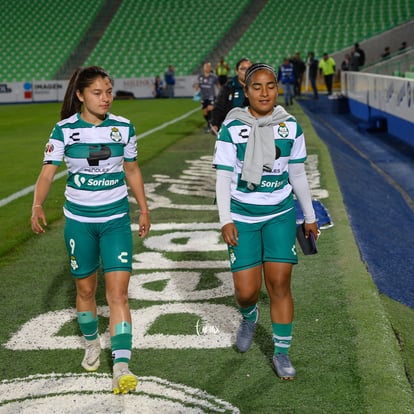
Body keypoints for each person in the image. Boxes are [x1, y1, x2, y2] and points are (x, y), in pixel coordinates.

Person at [31, 66, 151, 394]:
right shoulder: (64, 131)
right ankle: (91, 343)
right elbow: (46, 173)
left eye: (109, 92)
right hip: (79, 223)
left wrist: (143, 207)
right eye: (98, 93)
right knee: (85, 291)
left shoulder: (124, 128)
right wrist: (37, 205)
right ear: (81, 95)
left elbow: (132, 169)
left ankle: (122, 366)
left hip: (114, 221)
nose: (106, 98)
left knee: (118, 294)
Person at [213, 63, 318, 380]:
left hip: (279, 215)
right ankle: (248, 315)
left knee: (279, 284)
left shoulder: (290, 127)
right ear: (245, 91)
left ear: (277, 88)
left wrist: (309, 216)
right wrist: (225, 220)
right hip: (242, 216)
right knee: (246, 291)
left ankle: (282, 353)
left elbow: (297, 174)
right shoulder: (232, 128)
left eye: (270, 86)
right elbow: (222, 179)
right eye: (256, 87)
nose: (264, 92)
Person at [210, 57, 252, 135]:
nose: (247, 71)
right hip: (233, 130)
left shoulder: (260, 87)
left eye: (250, 69)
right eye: (243, 69)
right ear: (237, 71)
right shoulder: (228, 87)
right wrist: (215, 123)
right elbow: (219, 106)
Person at [195, 61, 219, 133]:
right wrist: (196, 86)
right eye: (206, 66)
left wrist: (221, 93)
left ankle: (210, 126)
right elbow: (197, 85)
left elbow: (218, 86)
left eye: (208, 67)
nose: (207, 68)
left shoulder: (213, 76)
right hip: (203, 97)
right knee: (204, 112)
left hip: (211, 96)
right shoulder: (200, 77)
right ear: (203, 68)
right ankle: (210, 123)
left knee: (210, 109)